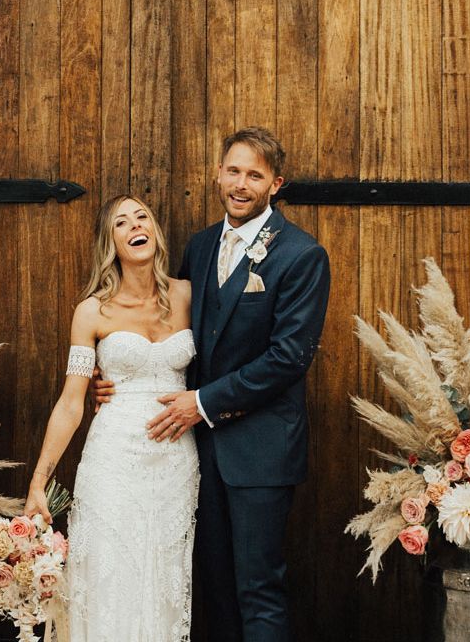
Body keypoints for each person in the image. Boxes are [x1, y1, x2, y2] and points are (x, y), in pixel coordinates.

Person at [95, 126, 331, 642]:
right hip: (194, 453)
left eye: (255, 175)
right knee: (216, 590)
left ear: (276, 184)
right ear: (218, 173)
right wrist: (116, 379)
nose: (240, 184)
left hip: (262, 451)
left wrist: (202, 402)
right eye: (233, 170)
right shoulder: (201, 248)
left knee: (258, 589)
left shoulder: (301, 255)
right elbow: (172, 334)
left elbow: (289, 358)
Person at [24, 194, 199, 642]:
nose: (135, 225)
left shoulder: (187, 294)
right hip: (113, 458)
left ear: (156, 232)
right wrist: (38, 482)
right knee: (106, 573)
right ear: (111, 241)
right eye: (122, 222)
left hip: (176, 462)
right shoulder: (92, 312)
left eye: (143, 217)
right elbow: (71, 402)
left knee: (164, 575)